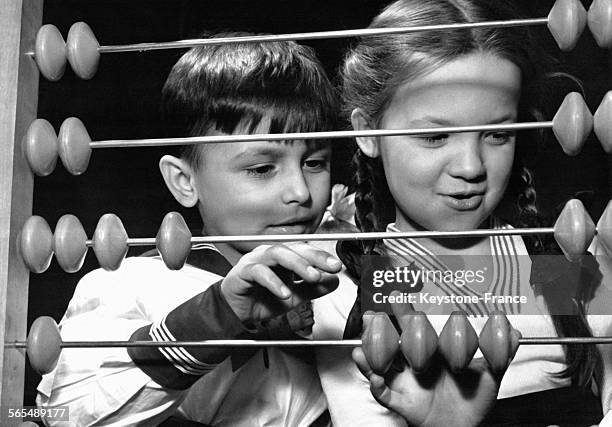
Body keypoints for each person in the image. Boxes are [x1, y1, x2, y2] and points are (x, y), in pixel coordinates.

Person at [311, 0, 612, 425]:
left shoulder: (558, 256)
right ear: (367, 133)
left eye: (497, 133)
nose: (471, 166)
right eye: (435, 135)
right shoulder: (347, 295)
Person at [36, 35, 343, 426]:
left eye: (315, 163)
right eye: (262, 168)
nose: (301, 192)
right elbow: (54, 415)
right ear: (184, 181)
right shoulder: (130, 285)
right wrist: (218, 315)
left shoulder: (341, 286)